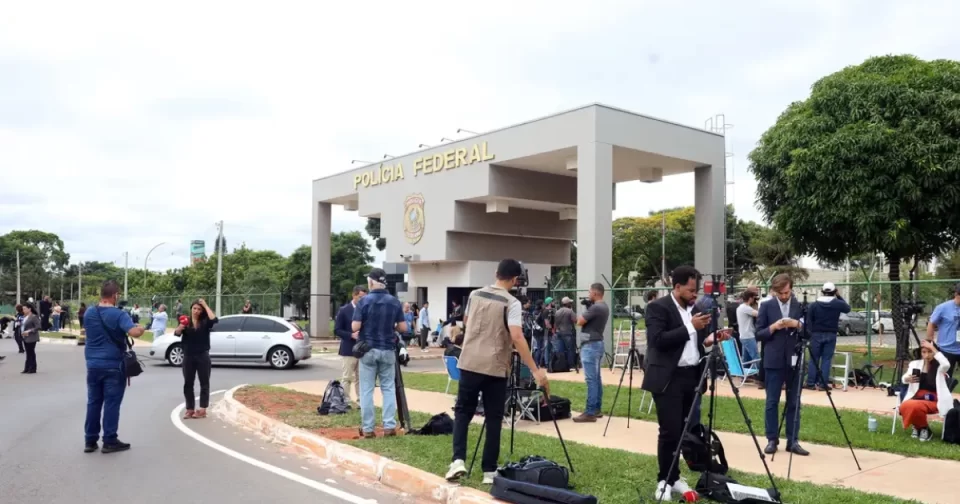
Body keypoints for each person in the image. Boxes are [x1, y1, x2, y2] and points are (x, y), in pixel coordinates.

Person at [446, 259, 548, 485]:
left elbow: (467, 322)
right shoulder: (512, 303)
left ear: (496, 273)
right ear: (515, 279)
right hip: (495, 365)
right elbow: (517, 336)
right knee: (494, 417)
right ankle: (489, 470)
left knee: (463, 412)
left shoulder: (474, 295)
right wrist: (534, 369)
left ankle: (458, 460)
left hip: (469, 362)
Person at [642, 266, 727, 500]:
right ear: (677, 287)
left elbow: (694, 343)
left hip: (692, 376)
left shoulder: (695, 310)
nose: (694, 294)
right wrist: (691, 326)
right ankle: (664, 480)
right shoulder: (658, 308)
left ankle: (675, 477)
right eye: (690, 290)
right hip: (669, 378)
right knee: (669, 431)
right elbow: (658, 341)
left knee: (684, 431)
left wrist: (710, 339)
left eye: (696, 290)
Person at [83, 280, 145, 453]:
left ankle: (90, 440)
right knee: (111, 403)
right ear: (115, 295)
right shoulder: (119, 314)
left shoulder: (89, 312)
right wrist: (140, 329)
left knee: (93, 402)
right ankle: (109, 440)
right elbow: (133, 332)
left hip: (92, 364)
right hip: (113, 364)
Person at [756, 273, 809, 456]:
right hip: (773, 359)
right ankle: (772, 439)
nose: (784, 296)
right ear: (774, 291)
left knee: (794, 402)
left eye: (787, 292)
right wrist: (774, 327)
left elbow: (809, 332)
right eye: (781, 293)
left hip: (794, 358)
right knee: (772, 401)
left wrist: (797, 325)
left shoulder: (800, 306)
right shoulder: (766, 306)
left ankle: (793, 441)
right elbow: (758, 334)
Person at [351, 268, 407, 438]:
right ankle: (389, 426)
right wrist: (391, 325)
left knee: (366, 390)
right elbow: (403, 327)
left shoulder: (364, 301)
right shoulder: (394, 302)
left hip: (368, 349)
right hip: (388, 349)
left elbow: (355, 326)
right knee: (388, 388)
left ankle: (368, 428)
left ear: (371, 282)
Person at [572, 282, 611, 423]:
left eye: (590, 292)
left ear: (595, 293)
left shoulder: (595, 308)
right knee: (596, 378)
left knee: (591, 380)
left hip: (590, 345)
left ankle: (590, 412)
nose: (588, 295)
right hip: (597, 343)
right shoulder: (604, 307)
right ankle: (596, 409)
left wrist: (586, 309)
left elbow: (579, 321)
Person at [900, 340, 952, 441]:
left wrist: (933, 348)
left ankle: (920, 428)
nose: (927, 355)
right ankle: (922, 428)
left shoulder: (940, 366)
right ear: (920, 353)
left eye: (930, 352)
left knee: (912, 405)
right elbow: (904, 377)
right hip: (917, 398)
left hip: (935, 400)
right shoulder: (915, 364)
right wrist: (907, 379)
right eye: (924, 352)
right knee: (905, 406)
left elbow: (946, 364)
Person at [174, 299, 218, 419]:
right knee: (188, 383)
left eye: (199, 309)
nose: (196, 311)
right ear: (191, 309)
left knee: (204, 383)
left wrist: (205, 305)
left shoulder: (205, 321)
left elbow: (214, 319)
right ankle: (190, 409)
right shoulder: (185, 320)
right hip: (188, 355)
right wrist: (180, 327)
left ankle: (202, 409)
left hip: (202, 355)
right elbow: (177, 333)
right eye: (194, 308)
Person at [805, 282, 851, 390]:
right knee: (826, 359)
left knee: (814, 359)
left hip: (816, 334)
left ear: (822, 291)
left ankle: (810, 383)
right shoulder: (837, 303)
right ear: (834, 291)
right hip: (831, 334)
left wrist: (810, 334)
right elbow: (848, 309)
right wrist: (839, 296)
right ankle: (823, 384)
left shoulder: (814, 305)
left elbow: (809, 320)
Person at [334, 285, 368, 404]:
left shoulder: (366, 310)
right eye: (361, 297)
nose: (363, 300)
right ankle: (345, 400)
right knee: (347, 377)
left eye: (365, 297)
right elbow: (337, 330)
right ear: (354, 295)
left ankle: (361, 401)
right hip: (348, 349)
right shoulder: (344, 310)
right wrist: (351, 335)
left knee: (361, 377)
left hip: (363, 349)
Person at [926, 284, 960, 377]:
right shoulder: (943, 308)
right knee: (944, 379)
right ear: (956, 294)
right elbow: (931, 323)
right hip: (946, 349)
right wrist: (930, 343)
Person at [736, 288, 761, 365]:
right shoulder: (745, 308)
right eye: (753, 298)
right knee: (756, 357)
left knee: (746, 359)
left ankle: (745, 371)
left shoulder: (740, 307)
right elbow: (759, 314)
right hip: (748, 336)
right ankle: (758, 372)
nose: (754, 300)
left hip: (744, 336)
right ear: (750, 298)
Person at [553, 297, 578, 371]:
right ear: (567, 303)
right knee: (570, 349)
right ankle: (571, 365)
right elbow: (575, 320)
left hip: (559, 332)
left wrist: (555, 331)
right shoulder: (570, 311)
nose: (571, 304)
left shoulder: (557, 312)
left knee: (561, 350)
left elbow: (555, 323)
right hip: (568, 332)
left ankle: (562, 365)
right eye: (570, 303)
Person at [20, 303, 41, 374]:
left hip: (31, 337)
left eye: (24, 309)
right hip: (25, 337)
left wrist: (29, 331)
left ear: (29, 309)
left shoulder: (34, 317)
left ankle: (32, 368)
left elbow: (38, 327)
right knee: (28, 353)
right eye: (23, 309)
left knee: (31, 352)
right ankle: (27, 368)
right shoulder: (25, 317)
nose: (23, 310)